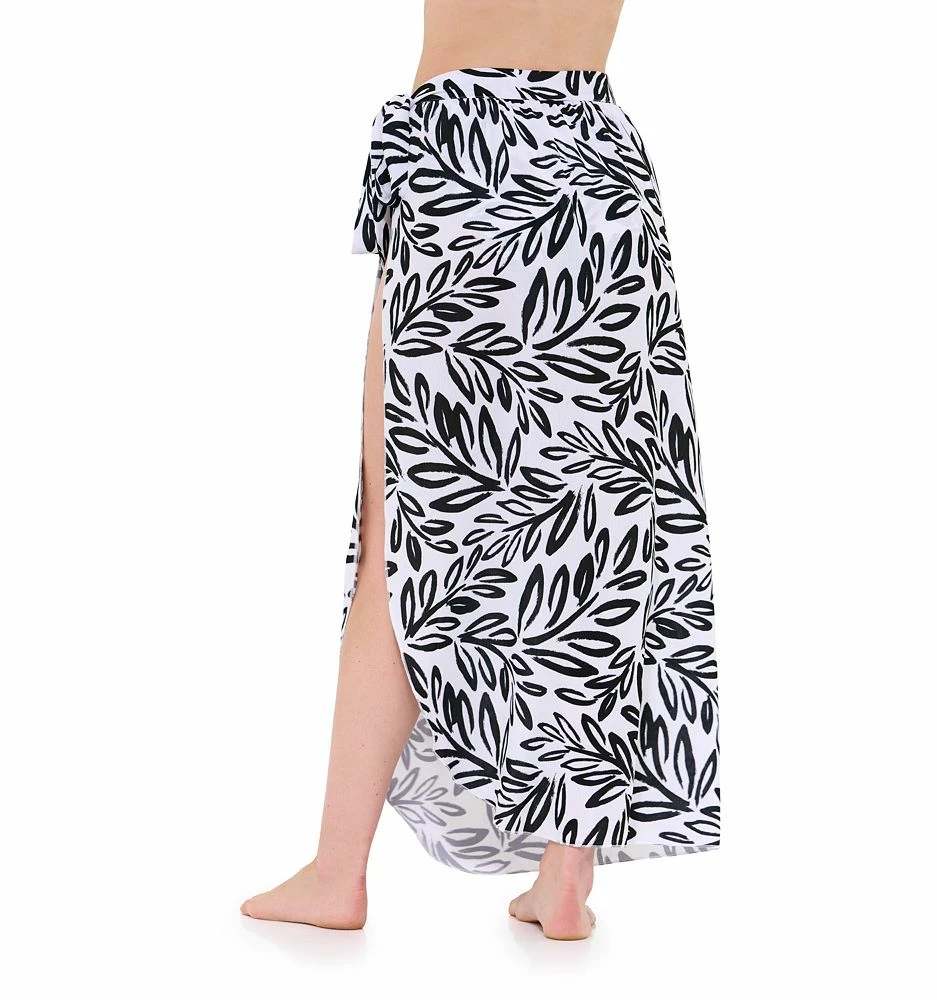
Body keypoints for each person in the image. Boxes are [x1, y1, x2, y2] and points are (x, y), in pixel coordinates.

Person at [241, 0, 719, 941]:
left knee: (405, 528)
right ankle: (565, 874)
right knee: (598, 533)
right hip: (601, 170)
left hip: (470, 164)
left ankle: (338, 872)